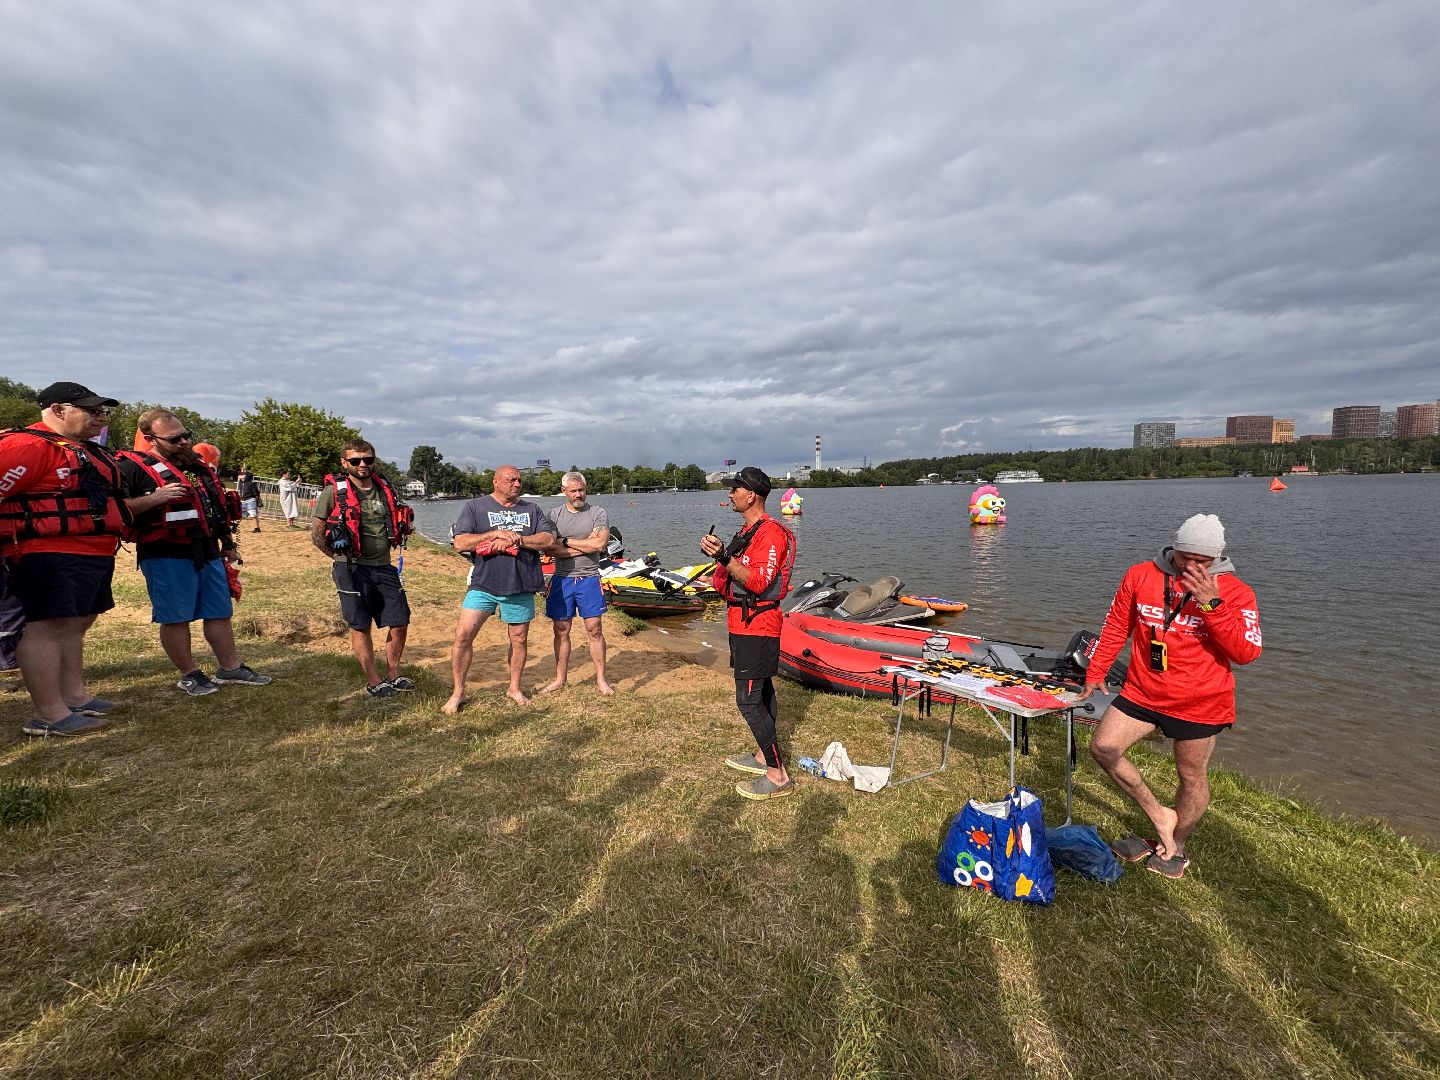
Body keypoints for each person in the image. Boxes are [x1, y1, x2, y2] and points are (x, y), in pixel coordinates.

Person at [1079, 514, 1262, 879]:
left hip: (1201, 701)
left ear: (1217, 557)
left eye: (1202, 561)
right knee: (1104, 747)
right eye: (1184, 557)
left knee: (1190, 775)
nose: (1191, 566)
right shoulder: (1140, 575)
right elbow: (1116, 625)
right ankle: (1160, 816)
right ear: (1173, 548)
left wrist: (1211, 605)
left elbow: (1246, 653)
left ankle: (1175, 845)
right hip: (1143, 691)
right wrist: (1096, 670)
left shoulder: (1236, 591)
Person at [0, 381, 129, 736]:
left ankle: (74, 696)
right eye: (91, 410)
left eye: (102, 411)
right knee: (48, 627)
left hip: (90, 551)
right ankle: (48, 714)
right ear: (58, 410)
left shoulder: (84, 450)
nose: (101, 418)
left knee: (74, 625)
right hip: (46, 552)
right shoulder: (26, 446)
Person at [119, 408, 272, 695]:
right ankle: (189, 674)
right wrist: (155, 499)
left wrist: (228, 544)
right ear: (150, 439)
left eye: (185, 435)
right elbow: (116, 509)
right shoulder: (132, 468)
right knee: (176, 617)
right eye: (174, 439)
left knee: (219, 612)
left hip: (208, 550)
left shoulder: (197, 466)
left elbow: (216, 508)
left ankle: (230, 668)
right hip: (165, 553)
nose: (184, 442)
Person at [700, 466, 798, 802]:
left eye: (735, 489)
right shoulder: (749, 530)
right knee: (762, 689)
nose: (730, 494)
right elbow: (736, 574)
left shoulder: (770, 534)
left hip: (758, 626)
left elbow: (758, 582)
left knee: (748, 700)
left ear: (751, 495)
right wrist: (717, 563)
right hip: (742, 622)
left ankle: (777, 774)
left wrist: (723, 555)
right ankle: (761, 756)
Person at [443, 464, 554, 711]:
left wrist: (518, 539)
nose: (517, 484)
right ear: (496, 481)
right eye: (511, 480)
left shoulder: (531, 509)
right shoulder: (475, 507)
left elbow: (547, 539)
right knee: (463, 635)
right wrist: (494, 535)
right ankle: (458, 692)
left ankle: (514, 688)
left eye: (519, 480)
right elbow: (460, 543)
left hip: (521, 583)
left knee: (519, 639)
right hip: (483, 583)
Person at [311, 440, 415, 698]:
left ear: (374, 460)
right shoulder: (333, 492)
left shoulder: (385, 489)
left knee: (400, 620)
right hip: (351, 569)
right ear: (344, 463)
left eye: (367, 459)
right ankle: (373, 680)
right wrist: (339, 559)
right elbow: (317, 534)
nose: (362, 465)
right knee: (360, 625)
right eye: (355, 460)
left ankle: (393, 674)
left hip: (384, 566)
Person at [538, 471, 613, 696]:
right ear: (564, 491)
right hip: (562, 579)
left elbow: (599, 544)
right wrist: (584, 545)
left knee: (594, 628)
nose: (578, 494)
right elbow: (550, 549)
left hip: (589, 578)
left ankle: (601, 680)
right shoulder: (554, 515)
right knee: (561, 630)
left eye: (581, 490)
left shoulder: (597, 512)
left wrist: (566, 541)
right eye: (573, 491)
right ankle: (560, 679)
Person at [237, 466, 262, 532]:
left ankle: (257, 528)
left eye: (243, 474)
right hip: (243, 500)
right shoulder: (241, 483)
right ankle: (235, 526)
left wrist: (256, 500)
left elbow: (256, 493)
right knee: (240, 515)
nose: (241, 475)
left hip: (250, 500)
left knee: (253, 515)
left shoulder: (250, 483)